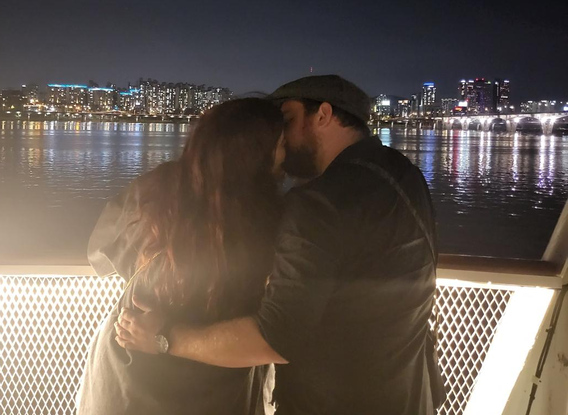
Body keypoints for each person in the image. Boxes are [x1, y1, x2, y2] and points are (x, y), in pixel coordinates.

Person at [116, 75, 444, 415]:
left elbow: (275, 337)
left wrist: (165, 338)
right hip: (409, 397)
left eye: (287, 121)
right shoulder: (406, 175)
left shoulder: (319, 203)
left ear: (323, 115)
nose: (281, 137)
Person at [77, 98, 287, 415]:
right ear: (258, 154)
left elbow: (100, 253)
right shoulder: (271, 220)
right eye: (282, 145)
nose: (287, 156)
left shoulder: (158, 187)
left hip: (127, 367)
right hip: (213, 380)